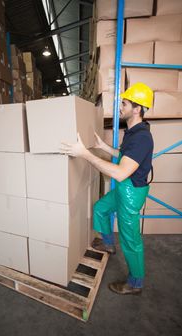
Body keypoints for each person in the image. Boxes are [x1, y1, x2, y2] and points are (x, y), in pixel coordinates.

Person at [61, 82, 154, 295]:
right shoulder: (132, 131)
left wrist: (84, 154)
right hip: (123, 190)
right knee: (101, 208)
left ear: (137, 109)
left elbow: (121, 173)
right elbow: (123, 156)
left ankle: (135, 283)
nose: (120, 106)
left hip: (131, 194)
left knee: (131, 241)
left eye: (124, 103)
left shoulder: (141, 138)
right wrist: (104, 147)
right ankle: (109, 245)